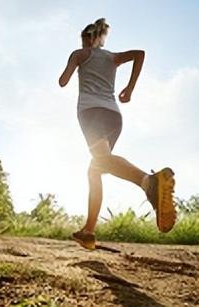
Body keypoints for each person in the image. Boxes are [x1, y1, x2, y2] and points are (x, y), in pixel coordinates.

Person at [59, 18, 176, 250]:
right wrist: (129, 88)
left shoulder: (80, 54)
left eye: (84, 41)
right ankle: (89, 231)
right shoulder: (111, 57)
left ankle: (149, 181)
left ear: (89, 39)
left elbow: (63, 81)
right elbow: (139, 54)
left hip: (90, 112)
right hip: (114, 116)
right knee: (96, 169)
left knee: (101, 161)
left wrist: (75, 63)